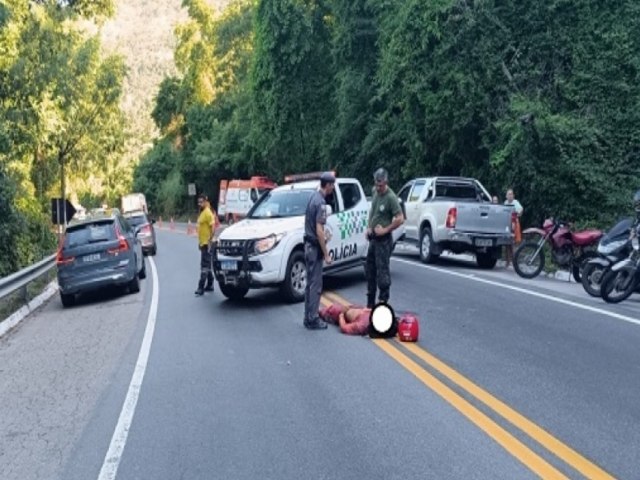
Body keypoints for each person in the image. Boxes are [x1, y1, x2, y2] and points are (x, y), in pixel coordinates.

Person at [365, 168, 404, 308]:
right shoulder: (375, 192)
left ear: (386, 182)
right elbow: (372, 211)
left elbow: (400, 218)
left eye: (380, 185)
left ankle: (382, 304)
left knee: (383, 274)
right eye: (376, 184)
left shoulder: (390, 197)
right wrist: (369, 227)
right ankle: (369, 304)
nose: (378, 187)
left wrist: (386, 229)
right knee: (369, 269)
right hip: (373, 239)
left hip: (384, 240)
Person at [303, 172, 335, 330]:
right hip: (314, 248)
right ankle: (313, 318)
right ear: (327, 185)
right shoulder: (321, 203)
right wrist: (326, 253)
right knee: (316, 285)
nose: (333, 188)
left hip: (307, 245)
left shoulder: (312, 197)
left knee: (309, 284)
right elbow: (319, 230)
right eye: (332, 185)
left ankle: (307, 317)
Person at [194, 194, 217, 296]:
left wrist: (210, 240)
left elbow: (213, 226)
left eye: (201, 202)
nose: (200, 204)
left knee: (204, 265)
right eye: (198, 202)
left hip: (207, 243)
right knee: (207, 265)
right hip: (203, 243)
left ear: (205, 202)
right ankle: (210, 284)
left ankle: (201, 287)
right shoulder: (202, 213)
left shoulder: (207, 212)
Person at [504, 188, 523, 268]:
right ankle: (508, 261)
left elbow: (521, 210)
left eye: (511, 194)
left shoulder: (516, 203)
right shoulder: (505, 203)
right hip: (507, 225)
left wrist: (517, 215)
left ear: (513, 195)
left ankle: (515, 262)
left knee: (514, 244)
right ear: (506, 196)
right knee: (507, 244)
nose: (510, 196)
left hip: (514, 224)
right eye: (509, 194)